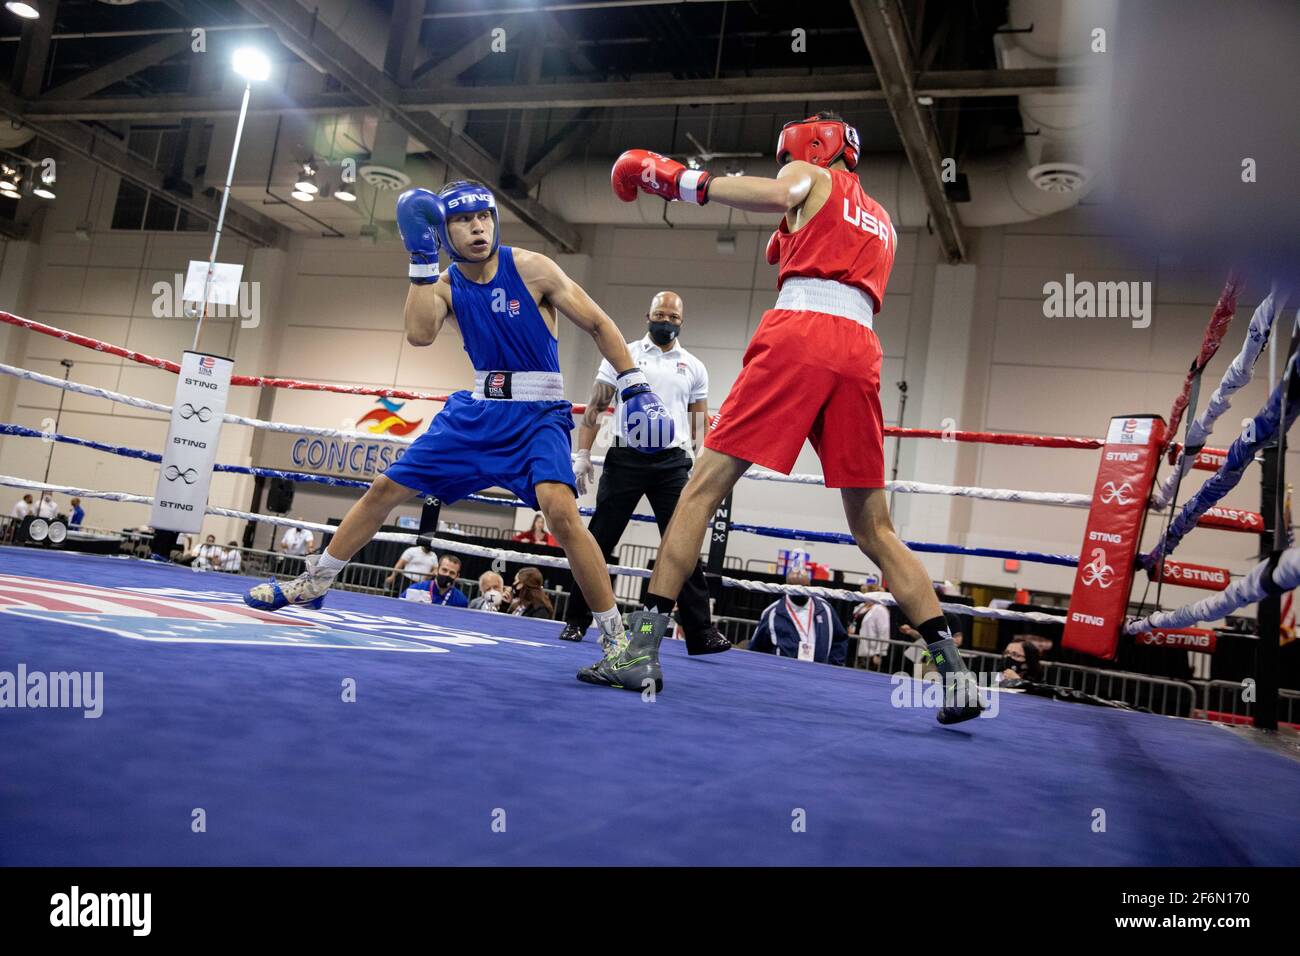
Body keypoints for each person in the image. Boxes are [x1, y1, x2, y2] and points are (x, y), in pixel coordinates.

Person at [597, 111, 985, 722]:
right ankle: (955, 676)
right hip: (860, 351)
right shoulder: (882, 219)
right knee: (875, 528)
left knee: (701, 489)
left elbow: (780, 192)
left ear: (811, 148)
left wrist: (676, 179)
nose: (787, 164)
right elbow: (801, 228)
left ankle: (639, 652)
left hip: (801, 334)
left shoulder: (809, 174)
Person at [245, 179, 673, 665]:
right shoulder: (444, 283)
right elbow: (420, 334)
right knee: (384, 487)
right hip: (477, 412)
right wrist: (421, 259)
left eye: (483, 216)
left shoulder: (532, 268)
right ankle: (315, 583)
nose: (477, 227)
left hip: (537, 415)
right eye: (463, 220)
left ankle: (616, 635)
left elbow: (598, 323)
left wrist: (634, 382)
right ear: (443, 231)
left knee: (561, 513)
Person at [561, 290, 729, 656]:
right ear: (648, 314)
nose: (665, 322)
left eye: (672, 317)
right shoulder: (624, 352)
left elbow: (699, 420)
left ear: (681, 322)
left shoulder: (694, 366)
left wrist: (705, 463)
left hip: (672, 462)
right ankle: (576, 620)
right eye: (660, 315)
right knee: (599, 539)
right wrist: (583, 454)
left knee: (682, 542)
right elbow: (597, 404)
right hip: (625, 457)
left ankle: (700, 632)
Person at [748, 565, 848, 665]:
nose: (801, 591)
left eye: (805, 587)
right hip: (784, 674)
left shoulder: (825, 609)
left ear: (810, 585)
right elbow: (756, 648)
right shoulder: (772, 613)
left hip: (819, 674)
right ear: (787, 587)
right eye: (795, 588)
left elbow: (840, 639)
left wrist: (833, 666)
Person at [402, 554, 469, 607]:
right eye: (444, 570)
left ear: (457, 576)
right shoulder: (416, 589)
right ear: (437, 570)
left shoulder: (461, 601)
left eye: (452, 573)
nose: (447, 574)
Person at [850, 583, 891, 668]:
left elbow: (884, 632)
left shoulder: (880, 610)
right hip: (854, 648)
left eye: (865, 593)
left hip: (869, 653)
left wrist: (879, 653)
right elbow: (855, 622)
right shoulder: (861, 607)